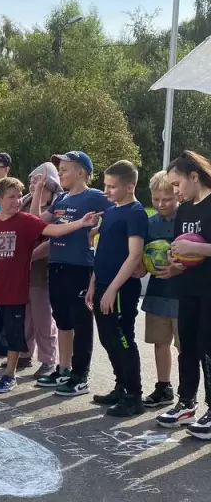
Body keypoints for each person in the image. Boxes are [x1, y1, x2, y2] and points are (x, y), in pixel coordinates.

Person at [0, 177, 100, 394]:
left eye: (18, 197)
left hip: (15, 291)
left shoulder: (26, 221)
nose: (16, 201)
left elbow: (53, 231)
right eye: (11, 197)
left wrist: (81, 223)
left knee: (15, 335)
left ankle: (9, 375)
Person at [31, 151, 110, 397]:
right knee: (63, 321)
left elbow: (120, 211)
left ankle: (80, 375)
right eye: (61, 169)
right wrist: (36, 192)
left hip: (80, 267)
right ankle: (63, 369)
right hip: (57, 264)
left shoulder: (94, 196)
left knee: (81, 323)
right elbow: (36, 221)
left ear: (81, 172)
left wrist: (96, 230)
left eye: (65, 169)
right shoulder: (61, 199)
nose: (61, 173)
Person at [85, 160, 149, 418]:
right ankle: (120, 387)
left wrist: (112, 289)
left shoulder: (135, 212)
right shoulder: (111, 211)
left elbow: (134, 255)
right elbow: (102, 252)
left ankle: (134, 396)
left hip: (121, 289)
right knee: (108, 339)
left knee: (123, 340)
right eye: (105, 185)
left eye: (112, 186)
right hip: (102, 284)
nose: (107, 191)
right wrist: (93, 285)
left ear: (130, 186)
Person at [154, 150, 211, 437]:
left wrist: (199, 250)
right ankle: (186, 403)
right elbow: (182, 248)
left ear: (194, 176)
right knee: (187, 346)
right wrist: (174, 266)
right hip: (188, 290)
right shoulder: (185, 210)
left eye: (177, 185)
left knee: (208, 349)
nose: (175, 191)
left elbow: (198, 249)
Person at [141, 170, 180, 408]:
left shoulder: (188, 219)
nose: (161, 204)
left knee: (186, 347)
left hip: (183, 294)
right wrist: (141, 269)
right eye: (156, 199)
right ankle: (163, 387)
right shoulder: (149, 224)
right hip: (157, 293)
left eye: (167, 199)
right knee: (159, 342)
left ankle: (188, 395)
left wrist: (178, 269)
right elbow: (143, 257)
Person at [21, 162, 63, 380]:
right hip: (22, 271)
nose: (32, 185)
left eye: (38, 181)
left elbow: (52, 240)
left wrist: (29, 256)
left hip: (41, 269)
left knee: (43, 316)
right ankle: (24, 352)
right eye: (31, 181)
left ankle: (48, 359)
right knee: (25, 314)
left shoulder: (56, 207)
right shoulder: (26, 202)